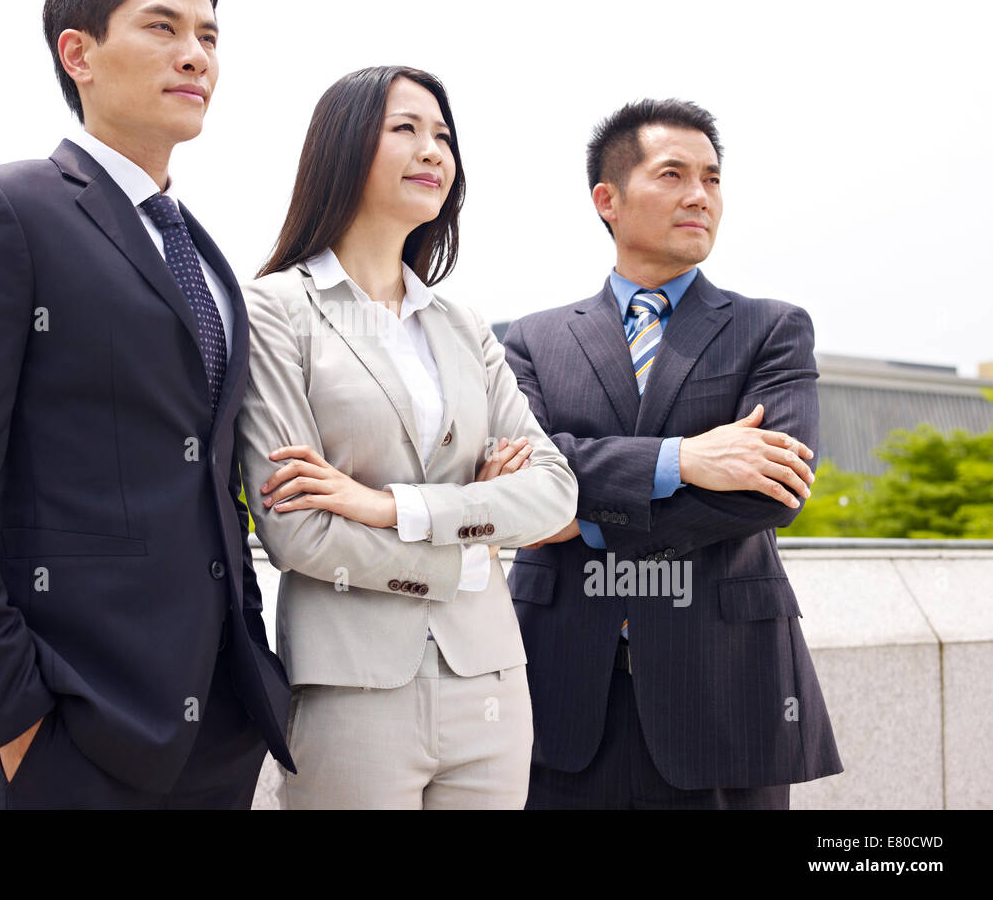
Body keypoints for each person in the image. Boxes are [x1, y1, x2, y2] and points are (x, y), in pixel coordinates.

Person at [0, 0, 293, 809]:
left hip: (218, 728)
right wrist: (11, 718)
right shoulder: (0, 210)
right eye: (162, 27)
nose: (196, 56)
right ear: (79, 53)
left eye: (209, 36)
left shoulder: (209, 256)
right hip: (70, 733)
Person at [235, 65, 580, 809]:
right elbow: (298, 531)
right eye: (407, 129)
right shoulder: (275, 310)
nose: (434, 151)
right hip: (352, 685)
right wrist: (470, 549)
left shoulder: (462, 325)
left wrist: (386, 505)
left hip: (490, 683)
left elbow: (554, 495)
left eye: (444, 136)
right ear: (343, 147)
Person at [503, 98, 843, 809]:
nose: (701, 195)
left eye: (713, 178)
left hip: (723, 690)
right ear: (609, 199)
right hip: (561, 688)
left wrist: (580, 515)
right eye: (674, 174)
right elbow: (518, 479)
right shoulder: (531, 341)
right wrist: (681, 460)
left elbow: (766, 491)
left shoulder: (771, 329)